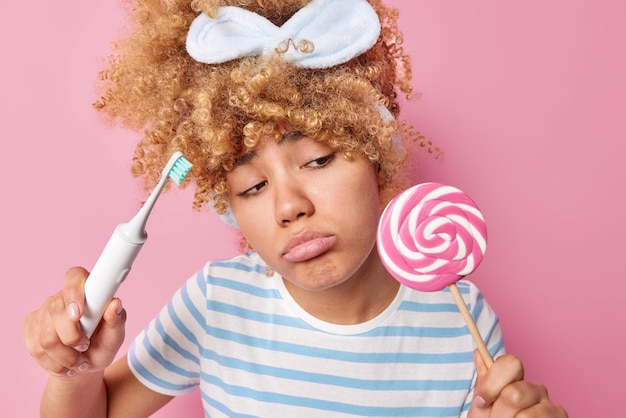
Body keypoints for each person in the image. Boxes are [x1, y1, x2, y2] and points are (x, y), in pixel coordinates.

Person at [24, 0, 568, 417]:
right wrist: (76, 371)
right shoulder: (218, 302)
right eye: (253, 187)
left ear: (377, 155)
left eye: (318, 158)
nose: (289, 206)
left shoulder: (462, 320)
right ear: (225, 203)